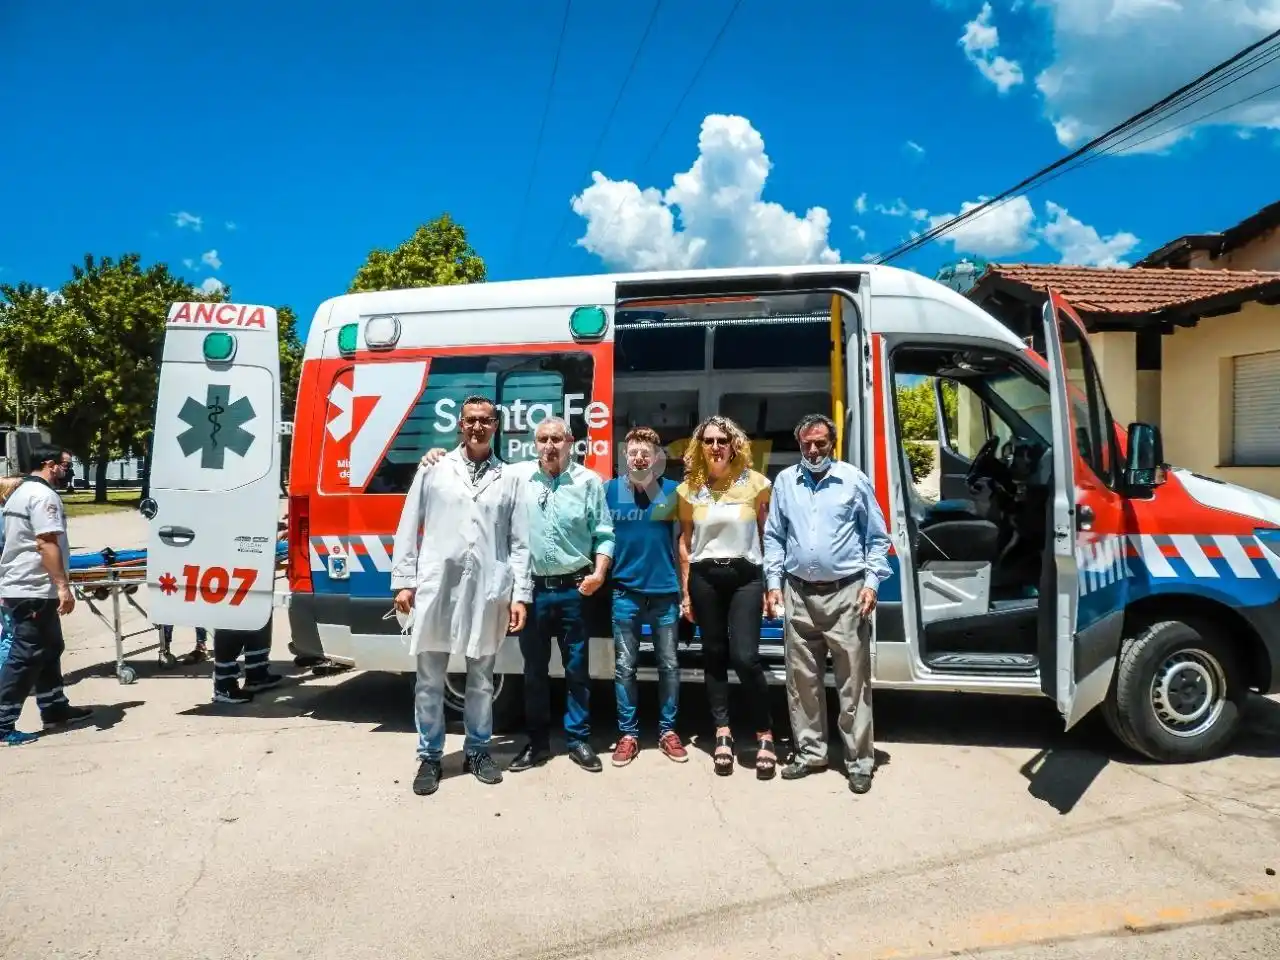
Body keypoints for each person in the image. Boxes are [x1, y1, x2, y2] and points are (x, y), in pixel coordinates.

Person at [393, 395, 532, 796]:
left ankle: (477, 750)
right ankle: (430, 756)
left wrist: (520, 595)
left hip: (487, 589)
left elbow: (519, 542)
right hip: (438, 586)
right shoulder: (434, 469)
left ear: (495, 426)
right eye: (470, 420)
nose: (477, 427)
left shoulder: (509, 478)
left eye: (485, 421)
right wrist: (404, 581)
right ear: (460, 424)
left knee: (482, 680)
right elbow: (409, 524)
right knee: (430, 679)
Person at [763, 413, 892, 795]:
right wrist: (773, 583)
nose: (814, 449)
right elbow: (774, 536)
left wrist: (871, 583)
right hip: (798, 593)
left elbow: (877, 537)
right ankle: (811, 753)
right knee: (802, 682)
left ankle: (859, 762)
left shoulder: (853, 480)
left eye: (820, 442)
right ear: (799, 444)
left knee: (854, 682)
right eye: (807, 443)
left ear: (832, 443)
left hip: (846, 593)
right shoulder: (786, 482)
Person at [510, 417, 614, 774]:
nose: (550, 446)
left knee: (577, 670)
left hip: (576, 591)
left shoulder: (589, 483)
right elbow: (474, 467)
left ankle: (578, 740)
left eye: (557, 439)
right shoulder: (518, 479)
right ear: (534, 444)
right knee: (534, 672)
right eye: (543, 439)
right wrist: (435, 458)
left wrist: (599, 574)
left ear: (571, 442)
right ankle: (537, 744)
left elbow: (604, 534)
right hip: (533, 592)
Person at [675, 415, 776, 779]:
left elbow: (768, 537)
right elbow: (685, 542)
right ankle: (722, 731)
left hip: (746, 576)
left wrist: (770, 585)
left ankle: (764, 732)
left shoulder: (757, 485)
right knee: (713, 655)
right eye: (708, 441)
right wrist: (686, 591)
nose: (715, 446)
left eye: (722, 440)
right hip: (705, 578)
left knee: (746, 657)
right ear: (699, 447)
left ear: (735, 444)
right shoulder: (689, 490)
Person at [0, 445, 94, 746]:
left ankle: (54, 708)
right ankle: (2, 723)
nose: (68, 471)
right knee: (27, 654)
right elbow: (45, 542)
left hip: (26, 585)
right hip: (33, 587)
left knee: (51, 646)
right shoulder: (42, 496)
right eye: (66, 465)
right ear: (50, 464)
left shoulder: (20, 491)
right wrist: (62, 586)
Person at [604, 427, 686, 766]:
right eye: (634, 451)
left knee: (669, 666)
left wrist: (686, 590)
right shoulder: (610, 490)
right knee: (625, 668)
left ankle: (668, 732)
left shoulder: (674, 491)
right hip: (625, 593)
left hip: (665, 593)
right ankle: (628, 735)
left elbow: (685, 543)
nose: (639, 457)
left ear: (656, 457)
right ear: (626, 455)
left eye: (646, 452)